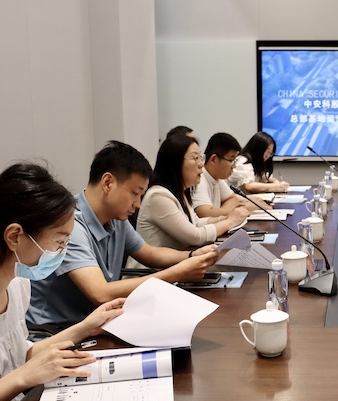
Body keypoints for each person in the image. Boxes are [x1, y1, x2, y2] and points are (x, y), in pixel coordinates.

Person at [0, 163, 124, 401]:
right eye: (59, 241)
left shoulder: (17, 282)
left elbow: (16, 354)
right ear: (14, 236)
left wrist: (85, 328)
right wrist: (24, 376)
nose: (62, 251)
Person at [27, 141, 220, 330]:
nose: (138, 204)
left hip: (97, 322)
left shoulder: (116, 218)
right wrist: (177, 273)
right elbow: (100, 293)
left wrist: (191, 256)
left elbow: (149, 254)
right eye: (135, 193)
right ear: (108, 183)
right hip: (57, 331)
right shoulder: (71, 225)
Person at [128, 134, 249, 266]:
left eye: (200, 157)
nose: (201, 164)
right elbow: (196, 236)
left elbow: (196, 223)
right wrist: (230, 222)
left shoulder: (180, 192)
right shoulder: (158, 197)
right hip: (150, 274)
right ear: (175, 162)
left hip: (175, 267)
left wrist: (224, 218)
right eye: (195, 158)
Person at [193, 132, 272, 218]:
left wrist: (223, 211)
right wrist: (243, 208)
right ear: (214, 159)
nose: (234, 166)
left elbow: (232, 199)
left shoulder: (217, 178)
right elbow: (206, 214)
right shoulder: (199, 180)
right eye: (231, 160)